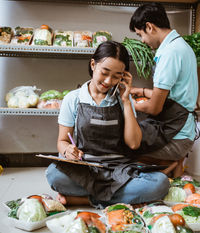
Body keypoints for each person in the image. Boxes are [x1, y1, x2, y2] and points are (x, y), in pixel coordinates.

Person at [46, 41, 169, 208]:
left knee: (159, 183)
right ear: (93, 65)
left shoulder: (124, 99)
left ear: (124, 76)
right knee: (53, 175)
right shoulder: (73, 99)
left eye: (117, 76)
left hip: (120, 170)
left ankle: (87, 200)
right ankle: (120, 198)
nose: (108, 81)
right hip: (86, 169)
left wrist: (126, 101)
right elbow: (62, 141)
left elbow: (133, 143)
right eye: (104, 72)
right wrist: (67, 150)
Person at [129, 2, 198, 176]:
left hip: (176, 138)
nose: (142, 41)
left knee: (125, 144)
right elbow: (176, 95)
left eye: (140, 35)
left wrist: (126, 104)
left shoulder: (170, 54)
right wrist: (143, 92)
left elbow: (154, 108)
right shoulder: (181, 46)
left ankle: (171, 165)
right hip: (183, 131)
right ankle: (171, 166)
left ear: (149, 27)